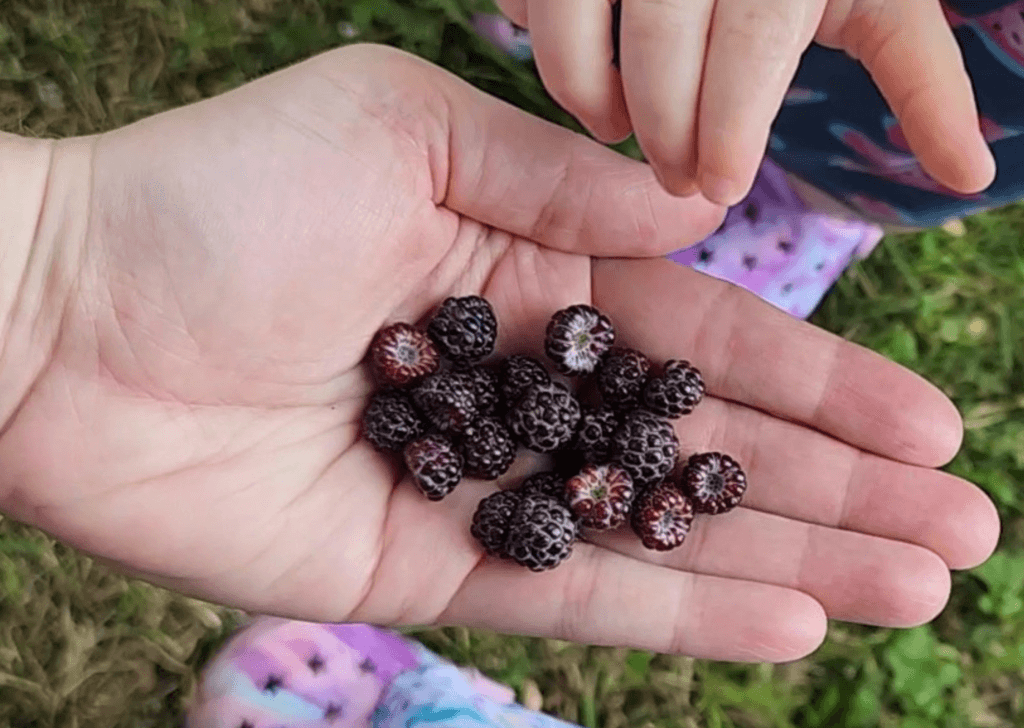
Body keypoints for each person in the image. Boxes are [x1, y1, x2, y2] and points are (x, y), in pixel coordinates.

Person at [0, 42, 999, 727]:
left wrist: (52, 270)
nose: (591, 481)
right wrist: (52, 270)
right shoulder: (510, 404)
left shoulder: (558, 424)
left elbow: (549, 431)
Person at [476, 0, 1024, 317]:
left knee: (927, 146)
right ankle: (596, 31)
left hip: (910, 147)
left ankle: (815, 209)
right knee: (642, 28)